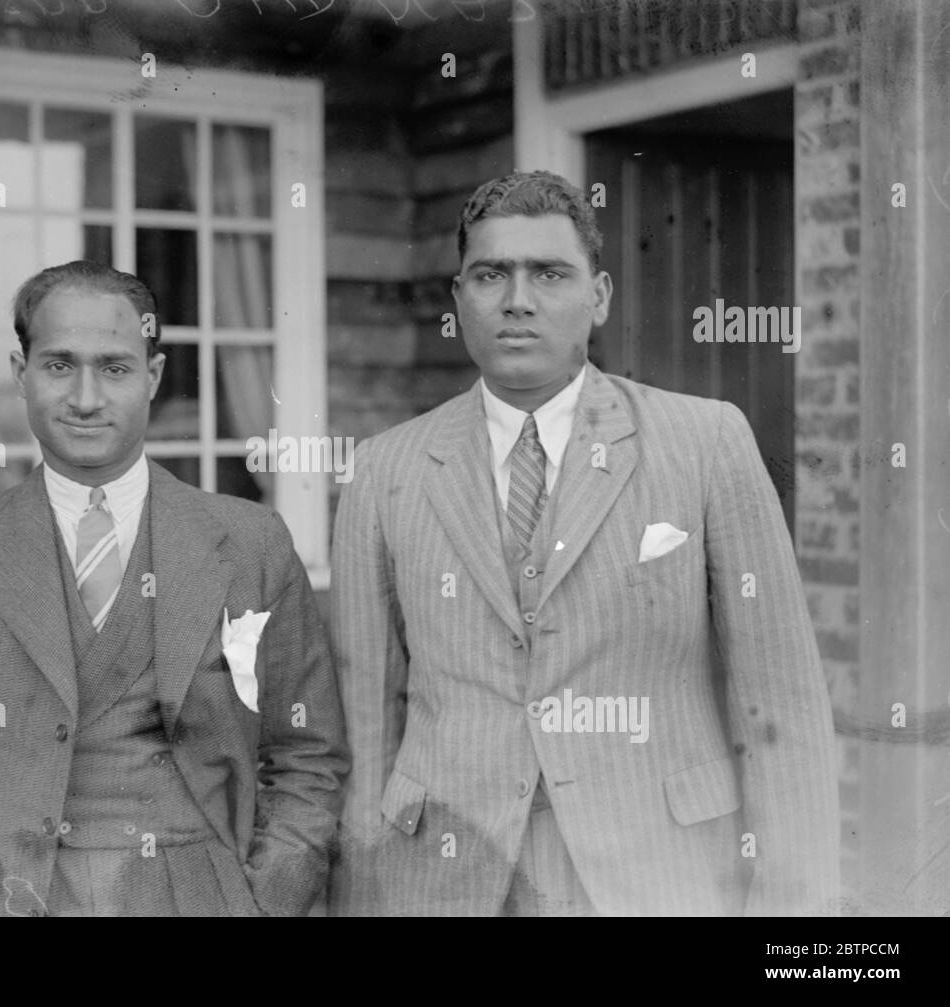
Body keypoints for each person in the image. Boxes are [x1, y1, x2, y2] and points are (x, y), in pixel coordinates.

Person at [327, 170, 839, 916]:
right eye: (491, 274)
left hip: (655, 875)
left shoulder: (706, 441)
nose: (518, 299)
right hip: (449, 878)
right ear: (459, 297)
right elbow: (367, 728)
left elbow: (782, 705)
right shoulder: (385, 469)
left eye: (549, 273)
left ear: (598, 297)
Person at [0, 260, 347, 916]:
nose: (86, 397)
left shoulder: (250, 542)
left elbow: (307, 752)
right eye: (59, 365)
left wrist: (263, 900)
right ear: (19, 373)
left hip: (196, 892)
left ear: (154, 376)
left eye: (114, 367)